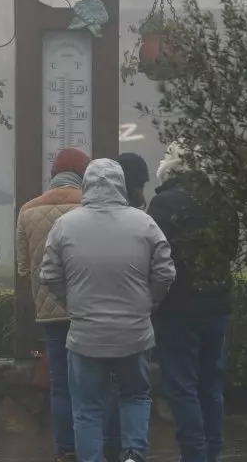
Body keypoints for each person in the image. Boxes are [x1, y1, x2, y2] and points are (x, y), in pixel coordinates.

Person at [42, 159, 175, 462]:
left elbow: (49, 276)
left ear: (86, 184)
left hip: (85, 335)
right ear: (122, 184)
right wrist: (147, 304)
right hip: (135, 333)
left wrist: (73, 304)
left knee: (87, 407)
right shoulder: (144, 223)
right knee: (135, 395)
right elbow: (165, 272)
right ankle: (133, 455)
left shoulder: (65, 225)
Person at [19, 148, 123, 462]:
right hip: (91, 308)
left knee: (61, 383)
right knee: (101, 380)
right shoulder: (93, 207)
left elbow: (24, 268)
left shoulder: (28, 210)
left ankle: (66, 448)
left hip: (50, 311)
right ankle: (107, 445)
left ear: (53, 174)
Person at [148, 142, 238, 462]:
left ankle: (194, 455)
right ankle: (211, 452)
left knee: (182, 387)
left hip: (177, 309)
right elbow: (230, 250)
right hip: (217, 306)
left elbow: (153, 257)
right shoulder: (223, 203)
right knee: (211, 385)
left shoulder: (162, 204)